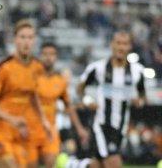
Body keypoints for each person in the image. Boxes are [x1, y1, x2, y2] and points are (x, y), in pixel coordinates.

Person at [0, 20, 51, 168]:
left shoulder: (37, 67)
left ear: (34, 40)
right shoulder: (3, 67)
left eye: (30, 37)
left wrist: (43, 120)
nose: (26, 42)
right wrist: (12, 119)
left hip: (16, 131)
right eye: (22, 37)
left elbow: (32, 94)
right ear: (15, 40)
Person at [77, 31, 147, 168]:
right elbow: (80, 89)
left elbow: (142, 95)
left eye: (125, 44)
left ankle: (75, 165)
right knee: (114, 162)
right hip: (102, 125)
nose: (121, 47)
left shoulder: (137, 71)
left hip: (121, 127)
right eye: (118, 43)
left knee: (97, 165)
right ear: (111, 45)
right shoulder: (98, 68)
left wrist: (140, 101)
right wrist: (87, 101)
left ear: (130, 47)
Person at [25, 42, 89, 168]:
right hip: (30, 130)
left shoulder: (60, 81)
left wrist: (79, 128)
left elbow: (68, 106)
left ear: (56, 57)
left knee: (51, 163)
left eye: (52, 54)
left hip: (50, 131)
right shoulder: (31, 77)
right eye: (45, 54)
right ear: (40, 56)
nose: (48, 57)